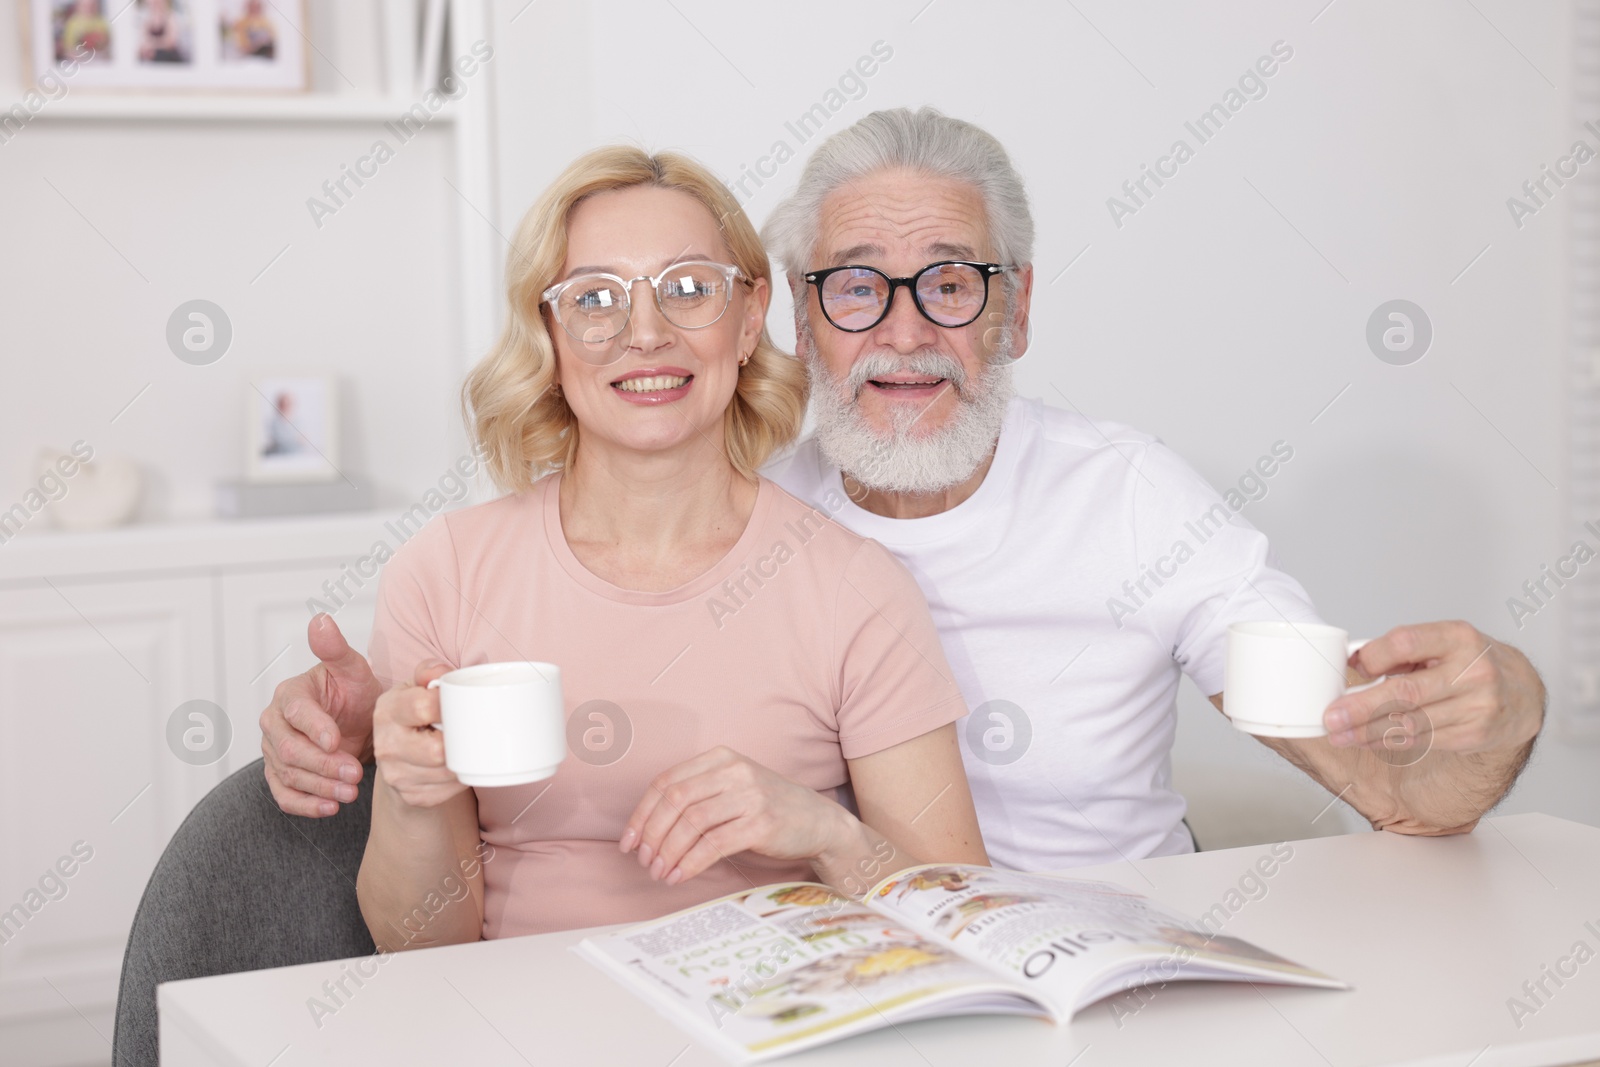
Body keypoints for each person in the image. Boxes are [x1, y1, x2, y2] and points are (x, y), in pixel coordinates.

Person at [264, 109, 1544, 875]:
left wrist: (1501, 706)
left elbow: (1399, 789)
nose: (902, 333)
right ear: (801, 322)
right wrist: (358, 725)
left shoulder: (1139, 504)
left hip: (1101, 979)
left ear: (1018, 307)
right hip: (861, 976)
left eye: (950, 282)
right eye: (856, 287)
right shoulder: (746, 496)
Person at [350, 145, 985, 947]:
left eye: (689, 290)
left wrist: (828, 831)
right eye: (595, 298)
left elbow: (963, 920)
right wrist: (409, 796)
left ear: (750, 319)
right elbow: (421, 949)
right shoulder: (442, 573)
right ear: (549, 332)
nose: (644, 334)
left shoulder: (854, 588)